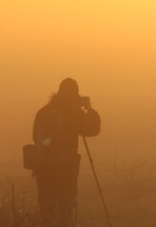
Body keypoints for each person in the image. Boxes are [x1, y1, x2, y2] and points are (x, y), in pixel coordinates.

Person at [32, 78, 101, 227]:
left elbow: (35, 138)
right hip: (66, 167)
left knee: (47, 207)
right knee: (66, 207)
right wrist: (89, 109)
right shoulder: (74, 113)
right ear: (75, 95)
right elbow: (93, 129)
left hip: (43, 168)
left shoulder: (43, 112)